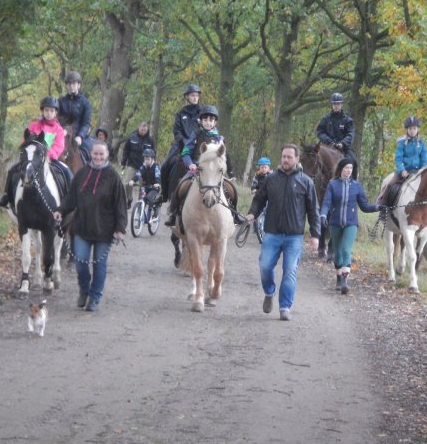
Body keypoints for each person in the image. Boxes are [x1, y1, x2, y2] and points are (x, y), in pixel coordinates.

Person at [245, 144, 320, 321]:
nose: (285, 160)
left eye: (289, 157)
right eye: (284, 156)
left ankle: (285, 307)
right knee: (265, 266)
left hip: (294, 236)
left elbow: (313, 210)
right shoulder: (270, 179)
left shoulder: (306, 182)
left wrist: (315, 235)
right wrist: (252, 213)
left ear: (297, 159)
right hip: (272, 233)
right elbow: (259, 199)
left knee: (290, 271)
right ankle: (269, 292)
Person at [53, 139, 127, 312]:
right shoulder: (82, 173)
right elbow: (71, 198)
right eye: (95, 153)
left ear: (107, 155)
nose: (98, 157)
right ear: (91, 154)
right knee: (80, 263)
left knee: (99, 266)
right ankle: (84, 291)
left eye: (101, 154)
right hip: (82, 227)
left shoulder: (113, 177)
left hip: (104, 230)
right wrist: (60, 210)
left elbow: (120, 205)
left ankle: (94, 297)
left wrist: (120, 229)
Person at [164, 105, 240, 226]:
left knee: (231, 189)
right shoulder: (195, 134)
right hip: (197, 169)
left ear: (215, 122)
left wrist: (230, 172)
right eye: (205, 120)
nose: (208, 123)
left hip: (214, 172)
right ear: (201, 121)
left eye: (211, 120)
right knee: (180, 186)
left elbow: (224, 157)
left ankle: (235, 214)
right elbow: (185, 152)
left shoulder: (219, 139)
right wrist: (190, 164)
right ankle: (173, 214)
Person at [320, 158, 384, 295]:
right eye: (346, 168)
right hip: (335, 222)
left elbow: (364, 206)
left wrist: (378, 207)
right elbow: (326, 203)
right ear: (341, 169)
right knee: (337, 252)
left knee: (345, 249)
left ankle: (344, 281)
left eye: (351, 168)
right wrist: (323, 215)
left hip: (351, 223)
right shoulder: (332, 184)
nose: (349, 170)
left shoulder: (356, 186)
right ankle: (338, 278)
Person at [0, 96, 71, 208]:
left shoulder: (58, 130)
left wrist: (47, 155)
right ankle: (7, 196)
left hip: (50, 159)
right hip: (33, 159)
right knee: (12, 170)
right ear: (42, 111)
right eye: (46, 110)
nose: (49, 113)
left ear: (55, 113)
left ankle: (69, 199)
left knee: (66, 171)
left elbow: (59, 146)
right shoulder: (34, 126)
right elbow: (25, 142)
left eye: (51, 111)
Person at [377, 116, 427, 221]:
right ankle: (383, 208)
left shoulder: (421, 143)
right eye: (410, 128)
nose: (412, 131)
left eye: (414, 128)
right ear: (407, 130)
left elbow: (425, 160)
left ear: (417, 129)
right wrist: (402, 170)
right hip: (403, 172)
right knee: (390, 185)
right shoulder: (401, 142)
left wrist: (422, 171)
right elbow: (398, 159)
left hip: (418, 172)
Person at [160, 84, 202, 202]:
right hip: (181, 145)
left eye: (197, 95)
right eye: (192, 95)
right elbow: (176, 131)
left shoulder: (203, 113)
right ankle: (163, 195)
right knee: (165, 166)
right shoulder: (181, 114)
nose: (195, 97)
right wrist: (183, 141)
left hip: (199, 145)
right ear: (187, 97)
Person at [315, 92, 359, 179]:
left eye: (338, 104)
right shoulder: (325, 119)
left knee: (354, 160)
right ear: (332, 105)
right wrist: (329, 141)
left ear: (341, 105)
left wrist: (342, 143)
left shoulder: (348, 120)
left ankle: (353, 182)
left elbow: (350, 134)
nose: (336, 106)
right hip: (328, 147)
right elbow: (319, 132)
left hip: (343, 148)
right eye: (334, 104)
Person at [121, 121, 155, 209]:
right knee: (127, 183)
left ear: (147, 130)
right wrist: (123, 162)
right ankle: (129, 199)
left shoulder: (150, 140)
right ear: (139, 128)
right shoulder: (132, 137)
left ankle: (140, 204)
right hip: (132, 164)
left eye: (145, 129)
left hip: (144, 167)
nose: (143, 131)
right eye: (142, 129)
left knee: (143, 186)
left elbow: (153, 153)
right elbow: (126, 150)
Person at [58, 71, 92, 159]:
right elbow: (57, 120)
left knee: (90, 151)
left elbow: (86, 123)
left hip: (79, 135)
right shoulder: (61, 101)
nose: (71, 86)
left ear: (78, 85)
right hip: (63, 134)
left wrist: (80, 136)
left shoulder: (85, 103)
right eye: (69, 84)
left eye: (74, 83)